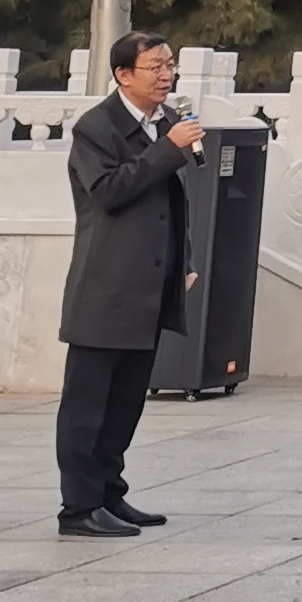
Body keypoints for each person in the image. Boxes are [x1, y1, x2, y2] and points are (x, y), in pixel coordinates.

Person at [56, 30, 204, 538]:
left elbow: (171, 203)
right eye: (155, 67)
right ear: (123, 74)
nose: (167, 76)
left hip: (150, 286)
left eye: (170, 65)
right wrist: (168, 149)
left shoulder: (163, 123)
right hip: (106, 288)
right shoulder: (97, 128)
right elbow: (109, 192)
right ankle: (78, 508)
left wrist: (183, 261)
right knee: (87, 406)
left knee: (125, 403)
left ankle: (109, 495)